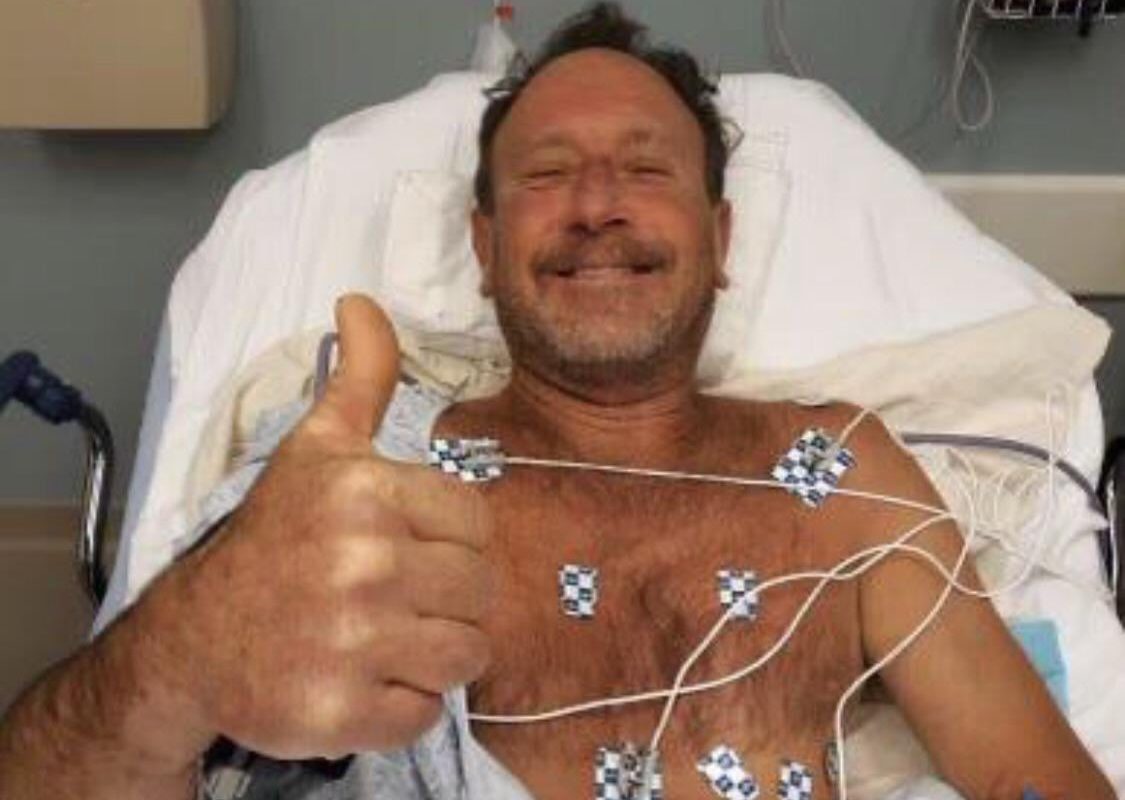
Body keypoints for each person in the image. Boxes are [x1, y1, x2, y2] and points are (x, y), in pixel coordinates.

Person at [0, 4, 1113, 799]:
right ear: (483, 248)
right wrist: (175, 653)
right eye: (543, 175)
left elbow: (1036, 775)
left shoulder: (848, 476)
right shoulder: (351, 478)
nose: (595, 205)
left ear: (720, 240)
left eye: (647, 169)